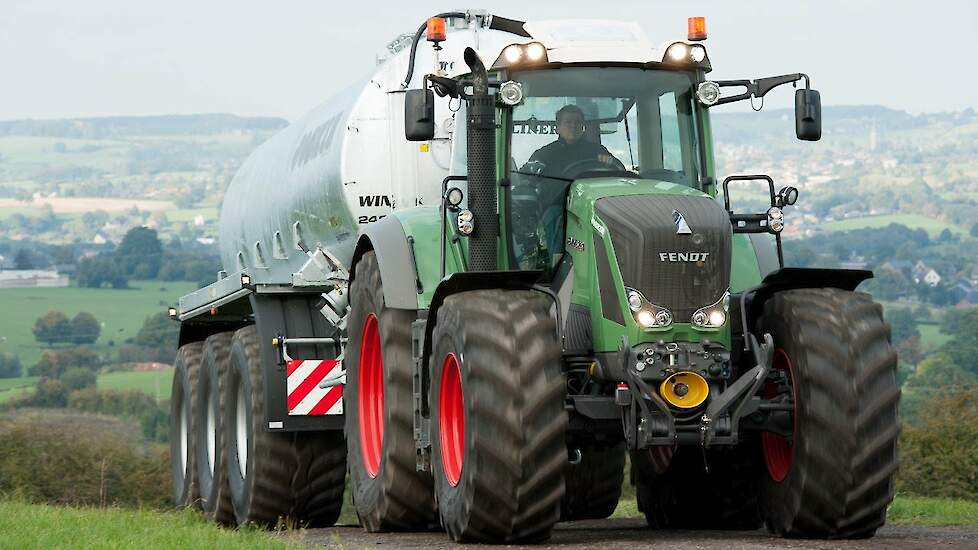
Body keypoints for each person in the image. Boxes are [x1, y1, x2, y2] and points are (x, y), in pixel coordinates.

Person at [524, 104, 621, 178]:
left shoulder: (598, 151)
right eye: (568, 122)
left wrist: (609, 162)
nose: (573, 126)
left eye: (577, 122)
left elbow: (619, 170)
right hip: (557, 202)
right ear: (558, 128)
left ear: (582, 127)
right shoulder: (544, 154)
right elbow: (524, 177)